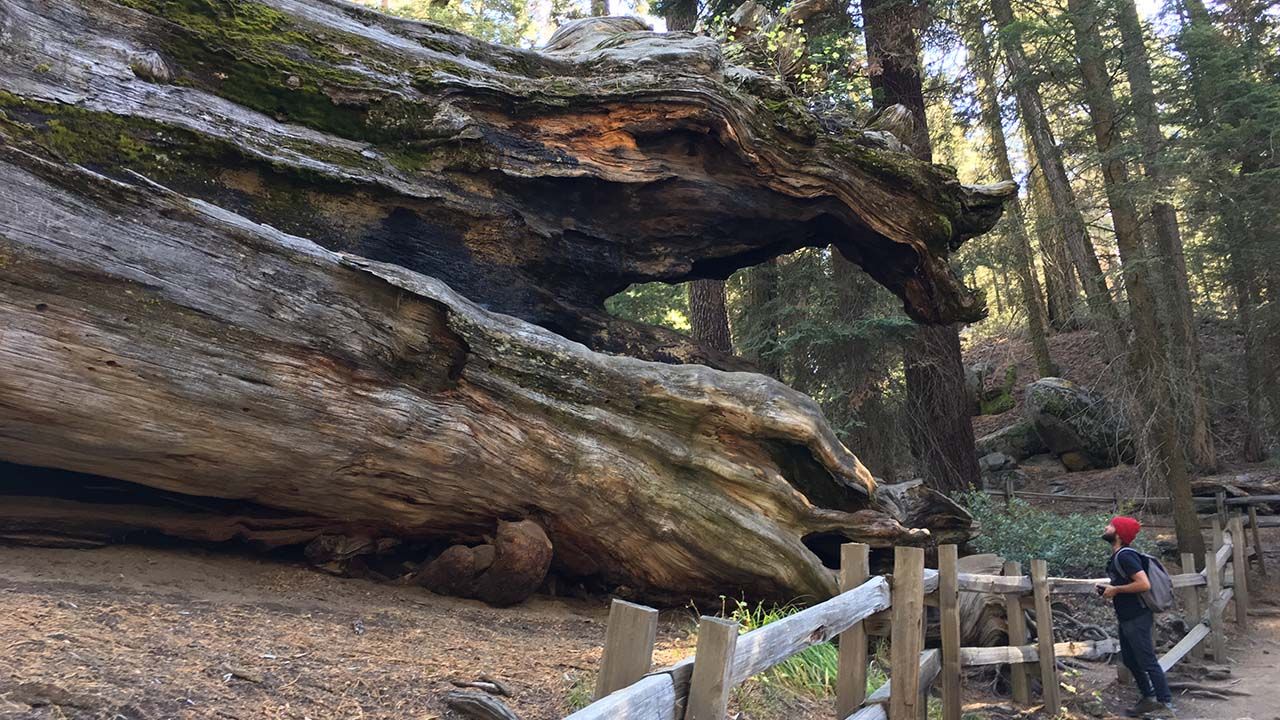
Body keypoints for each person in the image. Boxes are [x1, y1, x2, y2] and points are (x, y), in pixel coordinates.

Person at [1099, 516, 1174, 717]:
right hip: (1127, 617)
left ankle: (1165, 704)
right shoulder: (1119, 556)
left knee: (1147, 660)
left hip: (1137, 616)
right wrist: (1111, 589)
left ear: (1118, 534)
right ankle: (1148, 698)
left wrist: (1116, 590)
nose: (1106, 527)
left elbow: (1144, 584)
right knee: (1131, 660)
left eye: (1111, 525)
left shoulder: (1125, 556)